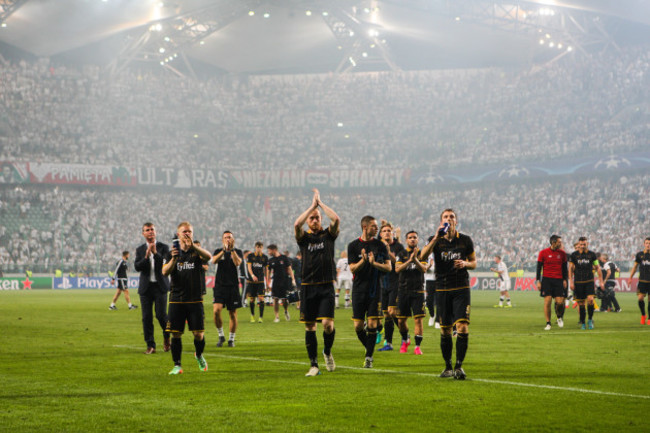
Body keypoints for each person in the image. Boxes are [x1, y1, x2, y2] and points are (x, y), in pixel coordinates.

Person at [420, 208, 476, 380]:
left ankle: (459, 366)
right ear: (441, 221)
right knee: (444, 331)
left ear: (456, 221)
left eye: (452, 217)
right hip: (442, 289)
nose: (449, 219)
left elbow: (474, 263)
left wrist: (465, 264)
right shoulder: (435, 240)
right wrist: (436, 237)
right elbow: (422, 256)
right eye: (445, 217)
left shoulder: (465, 240)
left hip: (461, 288)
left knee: (462, 327)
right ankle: (447, 367)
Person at [294, 188, 340, 377]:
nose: (314, 220)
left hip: (326, 285)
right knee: (310, 326)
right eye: (311, 218)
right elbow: (297, 224)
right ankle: (313, 365)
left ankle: (327, 352)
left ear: (321, 220)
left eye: (317, 218)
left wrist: (320, 204)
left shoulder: (328, 235)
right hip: (307, 286)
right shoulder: (304, 238)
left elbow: (336, 220)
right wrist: (312, 207)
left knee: (328, 325)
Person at [162, 222, 212, 375]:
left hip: (195, 299)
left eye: (189, 231)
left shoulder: (196, 252)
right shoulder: (172, 253)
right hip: (176, 298)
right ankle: (177, 365)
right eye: (184, 231)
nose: (187, 234)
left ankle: (199, 355)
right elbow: (164, 272)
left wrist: (194, 246)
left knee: (198, 334)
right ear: (178, 234)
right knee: (176, 333)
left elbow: (208, 257)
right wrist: (173, 260)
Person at [348, 215, 391, 368]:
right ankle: (369, 347)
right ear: (365, 227)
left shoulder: (380, 245)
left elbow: (388, 267)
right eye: (373, 226)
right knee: (358, 326)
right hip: (359, 290)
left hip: (375, 290)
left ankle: (369, 357)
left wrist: (374, 264)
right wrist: (363, 261)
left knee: (372, 324)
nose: (377, 228)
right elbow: (352, 268)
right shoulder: (353, 246)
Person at [134, 222, 171, 354]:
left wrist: (155, 253)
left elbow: (166, 263)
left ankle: (167, 336)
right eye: (147, 230)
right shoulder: (139, 250)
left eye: (152, 229)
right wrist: (146, 256)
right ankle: (151, 345)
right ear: (143, 233)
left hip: (160, 286)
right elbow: (137, 267)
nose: (150, 232)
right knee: (146, 317)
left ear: (155, 232)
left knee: (161, 315)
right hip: (146, 288)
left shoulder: (164, 247)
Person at [395, 231, 427, 355]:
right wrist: (409, 261)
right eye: (410, 238)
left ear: (417, 240)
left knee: (418, 320)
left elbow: (424, 269)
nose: (412, 239)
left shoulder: (422, 254)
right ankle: (405, 338)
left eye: (414, 237)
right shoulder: (401, 254)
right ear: (406, 240)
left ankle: (417, 346)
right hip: (403, 290)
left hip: (418, 291)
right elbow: (397, 269)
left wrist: (415, 260)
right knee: (401, 321)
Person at [211, 231, 243, 347]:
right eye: (225, 237)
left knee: (233, 314)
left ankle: (231, 339)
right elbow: (213, 261)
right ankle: (221, 336)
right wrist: (224, 251)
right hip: (219, 286)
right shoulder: (218, 251)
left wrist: (232, 250)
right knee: (216, 311)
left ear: (233, 239)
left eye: (229, 237)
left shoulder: (238, 252)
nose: (228, 239)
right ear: (222, 240)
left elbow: (237, 262)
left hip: (233, 287)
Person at [377, 221, 404, 352]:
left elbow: (399, 264)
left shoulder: (399, 247)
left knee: (393, 311)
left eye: (389, 230)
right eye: (384, 231)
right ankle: (388, 343)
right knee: (387, 314)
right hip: (383, 284)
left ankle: (404, 334)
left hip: (396, 283)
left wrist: (389, 252)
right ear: (380, 234)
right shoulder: (378, 246)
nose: (387, 232)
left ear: (392, 233)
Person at [568, 237, 603, 330]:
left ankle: (590, 320)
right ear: (578, 245)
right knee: (581, 303)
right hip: (578, 282)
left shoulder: (592, 255)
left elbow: (597, 267)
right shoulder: (574, 255)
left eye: (584, 244)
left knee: (590, 300)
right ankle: (583, 322)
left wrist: (601, 281)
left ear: (587, 244)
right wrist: (570, 281)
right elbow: (570, 269)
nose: (582, 246)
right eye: (581, 244)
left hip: (589, 281)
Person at [536, 234, 568, 331]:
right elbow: (539, 267)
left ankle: (559, 317)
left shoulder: (562, 254)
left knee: (560, 302)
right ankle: (548, 323)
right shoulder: (543, 253)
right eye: (559, 242)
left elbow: (564, 269)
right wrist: (538, 281)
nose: (561, 243)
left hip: (558, 280)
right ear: (553, 242)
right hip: (547, 280)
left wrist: (564, 280)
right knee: (548, 301)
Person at [267, 244, 296, 322]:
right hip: (275, 282)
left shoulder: (284, 258)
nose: (268, 252)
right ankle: (277, 317)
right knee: (275, 299)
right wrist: (268, 281)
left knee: (284, 300)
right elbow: (268, 271)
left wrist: (293, 279)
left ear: (274, 250)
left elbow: (289, 269)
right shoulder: (271, 260)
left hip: (284, 281)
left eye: (269, 250)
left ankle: (286, 311)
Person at [629, 237, 650, 325]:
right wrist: (630, 277)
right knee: (640, 298)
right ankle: (643, 315)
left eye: (649, 243)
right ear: (644, 244)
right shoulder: (639, 255)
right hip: (642, 281)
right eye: (647, 243)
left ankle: (649, 318)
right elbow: (635, 267)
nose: (648, 245)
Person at [246, 242, 268, 323]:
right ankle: (252, 315)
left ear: (262, 248)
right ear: (255, 247)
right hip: (252, 281)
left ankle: (261, 317)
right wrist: (252, 275)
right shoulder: (251, 256)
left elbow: (266, 269)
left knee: (261, 298)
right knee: (252, 299)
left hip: (261, 281)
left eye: (260, 247)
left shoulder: (265, 257)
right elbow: (249, 267)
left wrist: (267, 280)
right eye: (257, 247)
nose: (259, 248)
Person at [424, 244, 439, 328]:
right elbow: (423, 268)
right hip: (429, 280)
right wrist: (430, 265)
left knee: (440, 301)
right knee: (429, 301)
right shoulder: (426, 255)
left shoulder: (441, 254)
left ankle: (437, 320)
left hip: (439, 280)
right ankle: (432, 315)